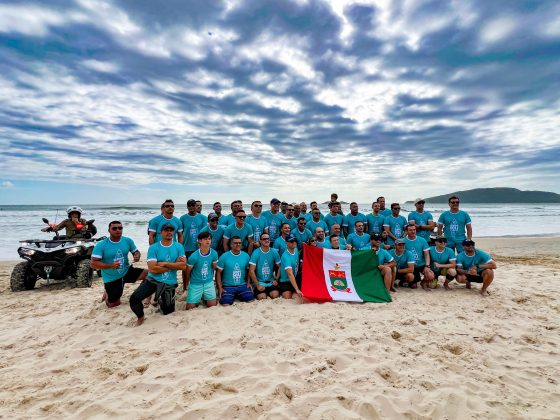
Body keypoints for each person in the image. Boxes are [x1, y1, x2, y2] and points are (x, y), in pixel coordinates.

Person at [129, 223, 186, 326]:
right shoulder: (154, 247)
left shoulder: (178, 246)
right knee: (134, 300)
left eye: (171, 230)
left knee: (168, 312)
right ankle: (141, 318)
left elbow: (183, 266)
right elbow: (152, 269)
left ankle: (159, 300)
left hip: (169, 282)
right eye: (166, 230)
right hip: (153, 280)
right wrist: (174, 264)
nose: (169, 232)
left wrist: (165, 263)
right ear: (161, 232)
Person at [91, 221, 147, 308]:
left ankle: (138, 296)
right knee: (113, 304)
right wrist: (111, 266)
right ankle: (107, 291)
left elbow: (136, 252)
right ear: (109, 230)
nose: (118, 230)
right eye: (114, 228)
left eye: (120, 228)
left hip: (127, 271)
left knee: (150, 275)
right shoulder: (101, 245)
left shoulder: (128, 241)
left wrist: (137, 255)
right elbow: (93, 264)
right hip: (111, 277)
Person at [216, 236, 254, 305]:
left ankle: (238, 294)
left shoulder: (246, 256)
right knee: (225, 302)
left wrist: (248, 282)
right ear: (231, 245)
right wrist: (219, 288)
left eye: (240, 243)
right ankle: (232, 295)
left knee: (250, 298)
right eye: (235, 243)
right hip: (228, 286)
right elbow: (218, 272)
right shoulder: (224, 256)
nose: (238, 244)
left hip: (242, 285)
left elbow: (249, 270)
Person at [185, 232, 218, 310]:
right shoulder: (193, 256)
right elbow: (188, 271)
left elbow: (214, 268)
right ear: (200, 241)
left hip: (208, 282)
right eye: (205, 239)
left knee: (212, 306)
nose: (208, 241)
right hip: (196, 283)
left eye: (209, 239)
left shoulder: (214, 253)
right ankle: (199, 295)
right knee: (190, 308)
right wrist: (188, 283)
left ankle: (204, 296)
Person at [248, 233, 281, 300]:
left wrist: (276, 279)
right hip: (260, 282)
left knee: (275, 295)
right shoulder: (256, 252)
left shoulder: (274, 251)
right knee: (262, 297)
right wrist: (257, 285)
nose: (266, 240)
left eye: (268, 239)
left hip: (270, 282)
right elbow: (251, 270)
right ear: (260, 241)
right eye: (264, 239)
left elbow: (280, 266)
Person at [403, 224, 434, 290]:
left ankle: (423, 282)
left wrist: (427, 266)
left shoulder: (422, 240)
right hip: (411, 266)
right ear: (406, 231)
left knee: (430, 275)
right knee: (413, 286)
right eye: (410, 230)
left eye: (414, 230)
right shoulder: (403, 241)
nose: (413, 231)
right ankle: (404, 281)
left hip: (421, 264)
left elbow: (426, 254)